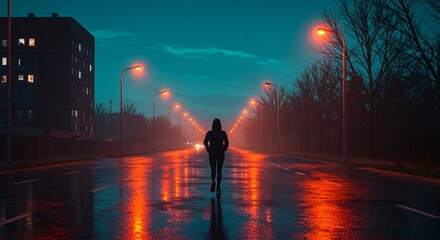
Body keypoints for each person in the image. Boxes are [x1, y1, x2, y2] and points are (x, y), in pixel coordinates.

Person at [203, 118, 229, 193]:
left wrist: (208, 149)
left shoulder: (209, 133)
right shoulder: (223, 133)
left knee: (213, 169)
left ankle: (213, 181)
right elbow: (226, 142)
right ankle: (218, 187)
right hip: (220, 153)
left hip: (212, 153)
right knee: (219, 170)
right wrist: (224, 149)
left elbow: (205, 142)